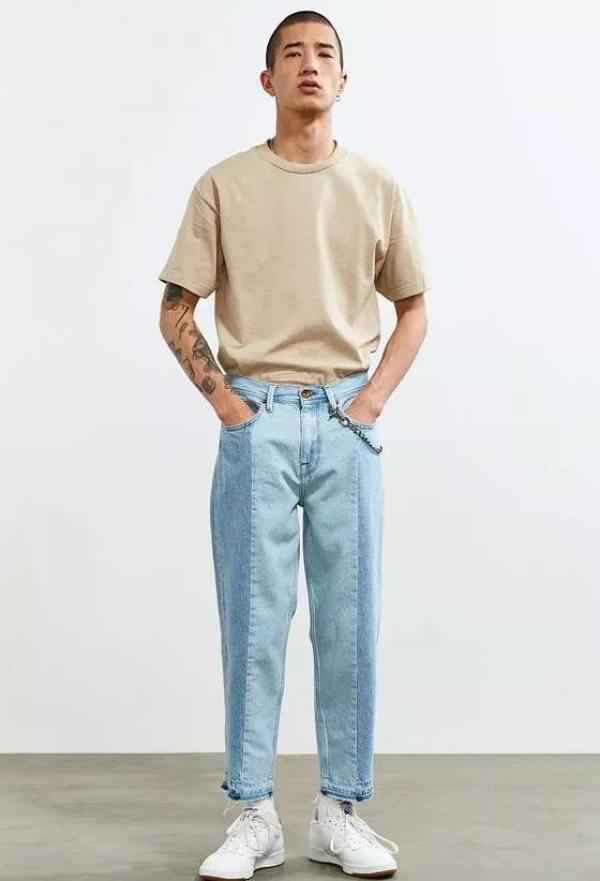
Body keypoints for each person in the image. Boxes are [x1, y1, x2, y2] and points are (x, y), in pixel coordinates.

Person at [158, 10, 429, 880]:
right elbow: (175, 307)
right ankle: (254, 813)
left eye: (325, 54)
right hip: (259, 419)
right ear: (267, 79)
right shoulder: (224, 185)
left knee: (348, 622)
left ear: (343, 80)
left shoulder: (377, 187)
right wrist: (228, 404)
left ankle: (339, 811)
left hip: (347, 421)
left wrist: (372, 401)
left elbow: (413, 308)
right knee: (254, 620)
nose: (310, 65)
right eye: (292, 53)